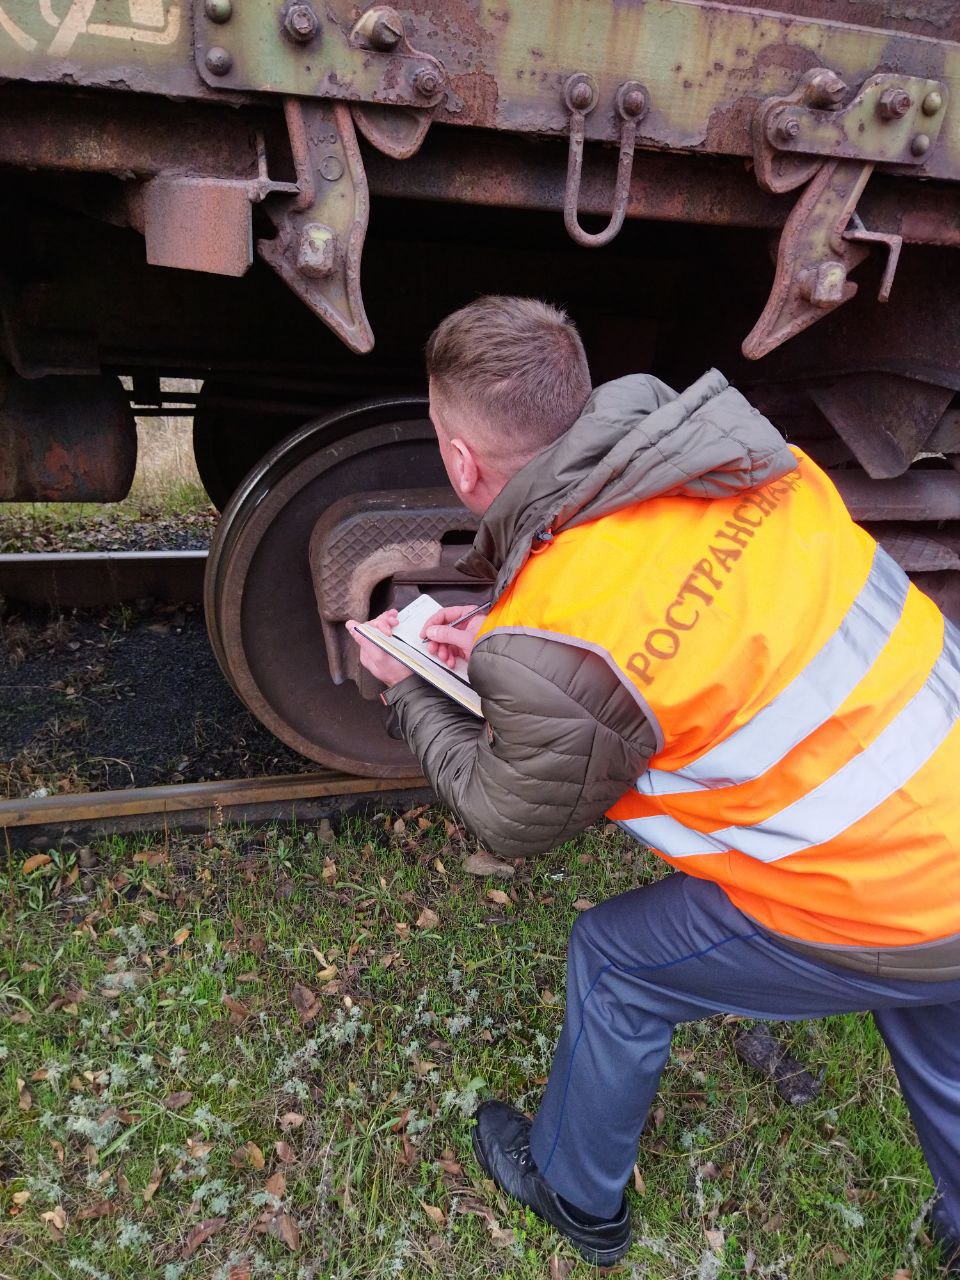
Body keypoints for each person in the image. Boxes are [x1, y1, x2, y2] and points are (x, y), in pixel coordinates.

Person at [347, 296, 960, 1269]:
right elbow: (679, 623)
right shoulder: (743, 455)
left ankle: (576, 1194)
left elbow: (512, 815)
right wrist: (517, 646)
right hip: (945, 805)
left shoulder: (571, 622)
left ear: (462, 461)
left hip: (891, 891)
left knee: (616, 961)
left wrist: (409, 691)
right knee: (939, 1005)